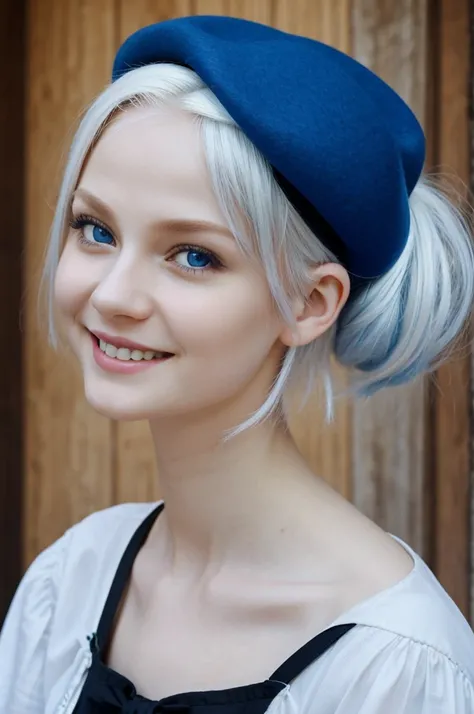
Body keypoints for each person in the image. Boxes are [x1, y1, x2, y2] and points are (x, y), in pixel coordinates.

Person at [1, 14, 474, 714]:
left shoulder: (398, 666)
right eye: (94, 229)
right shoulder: (66, 583)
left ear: (310, 303)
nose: (112, 295)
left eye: (194, 255)